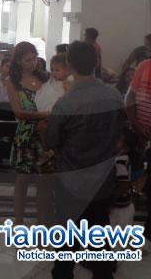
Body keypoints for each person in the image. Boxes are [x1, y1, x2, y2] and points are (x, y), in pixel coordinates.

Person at [45, 41, 125, 279]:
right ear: (97, 63)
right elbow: (120, 134)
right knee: (99, 233)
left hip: (72, 179)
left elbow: (51, 141)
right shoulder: (114, 96)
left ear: (69, 65)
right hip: (103, 179)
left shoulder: (66, 102)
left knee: (67, 239)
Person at [6, 42, 52, 224]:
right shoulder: (12, 82)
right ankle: (18, 223)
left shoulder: (46, 79)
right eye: (27, 60)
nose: (33, 63)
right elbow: (18, 112)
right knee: (22, 183)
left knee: (44, 184)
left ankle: (42, 223)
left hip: (45, 137)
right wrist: (45, 114)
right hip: (25, 137)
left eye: (34, 58)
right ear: (18, 61)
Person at [125, 36, 151, 246]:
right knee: (137, 172)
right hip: (140, 132)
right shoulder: (144, 66)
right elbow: (130, 98)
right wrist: (138, 126)